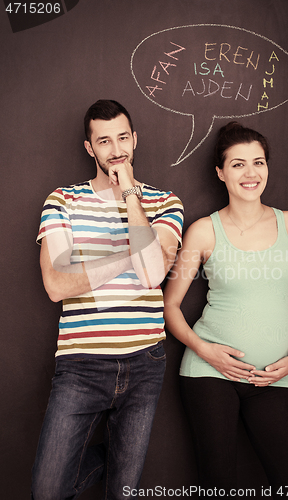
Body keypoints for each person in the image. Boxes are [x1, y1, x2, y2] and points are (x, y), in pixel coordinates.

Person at [31, 99, 183, 500]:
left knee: (123, 494)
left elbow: (153, 274)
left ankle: (119, 461)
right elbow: (57, 286)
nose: (116, 150)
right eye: (104, 141)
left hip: (144, 362)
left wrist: (131, 194)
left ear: (135, 139)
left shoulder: (165, 202)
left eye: (122, 138)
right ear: (89, 148)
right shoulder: (63, 200)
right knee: (47, 491)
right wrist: (132, 254)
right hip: (80, 365)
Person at [163, 122, 288, 498]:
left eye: (258, 162)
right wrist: (205, 350)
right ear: (220, 172)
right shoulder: (203, 232)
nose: (251, 173)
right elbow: (170, 306)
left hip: (270, 378)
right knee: (218, 487)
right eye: (238, 164)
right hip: (209, 373)